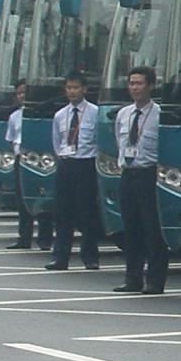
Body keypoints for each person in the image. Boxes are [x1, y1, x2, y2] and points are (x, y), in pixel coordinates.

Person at [113, 66, 169, 293]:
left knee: (152, 229)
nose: (135, 88)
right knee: (131, 228)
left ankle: (155, 280)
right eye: (132, 83)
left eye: (139, 83)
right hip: (129, 173)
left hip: (150, 174)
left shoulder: (159, 115)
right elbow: (120, 141)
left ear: (151, 86)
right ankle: (132, 278)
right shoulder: (123, 114)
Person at [47, 73, 104, 271]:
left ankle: (90, 256)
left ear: (85, 89)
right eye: (68, 88)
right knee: (62, 213)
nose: (72, 91)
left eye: (76, 87)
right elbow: (57, 143)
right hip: (66, 164)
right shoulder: (60, 115)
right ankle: (60, 257)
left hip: (86, 164)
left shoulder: (95, 113)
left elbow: (100, 141)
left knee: (87, 213)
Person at [5, 83, 38, 249]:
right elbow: (11, 140)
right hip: (20, 159)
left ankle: (44, 238)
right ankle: (24, 238)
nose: (22, 96)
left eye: (25, 92)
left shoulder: (39, 114)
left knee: (39, 198)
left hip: (37, 158)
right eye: (18, 93)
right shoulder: (14, 117)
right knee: (22, 200)